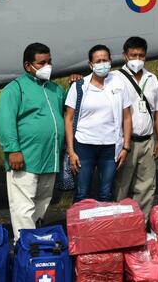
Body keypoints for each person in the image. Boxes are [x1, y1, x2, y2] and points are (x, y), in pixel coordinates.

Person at [0, 42, 66, 242]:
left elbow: (67, 113)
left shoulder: (56, 90)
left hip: (49, 158)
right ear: (28, 66)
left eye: (49, 62)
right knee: (23, 206)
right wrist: (12, 150)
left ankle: (36, 241)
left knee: (42, 203)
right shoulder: (15, 89)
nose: (48, 67)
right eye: (42, 63)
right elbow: (5, 122)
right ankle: (25, 246)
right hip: (25, 157)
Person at [64, 45, 132, 203]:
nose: (102, 64)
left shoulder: (119, 84)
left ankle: (103, 227)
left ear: (110, 61)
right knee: (82, 193)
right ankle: (81, 227)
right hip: (84, 146)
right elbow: (68, 119)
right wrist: (71, 151)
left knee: (106, 193)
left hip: (110, 148)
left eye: (105, 60)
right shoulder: (80, 86)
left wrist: (126, 147)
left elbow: (127, 117)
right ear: (90, 64)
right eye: (98, 61)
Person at [113, 36, 158, 219]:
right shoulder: (115, 78)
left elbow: (157, 111)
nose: (137, 59)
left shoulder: (152, 78)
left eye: (141, 55)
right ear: (125, 56)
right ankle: (119, 224)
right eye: (133, 55)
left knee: (146, 185)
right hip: (127, 142)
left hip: (147, 139)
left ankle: (141, 225)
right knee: (121, 185)